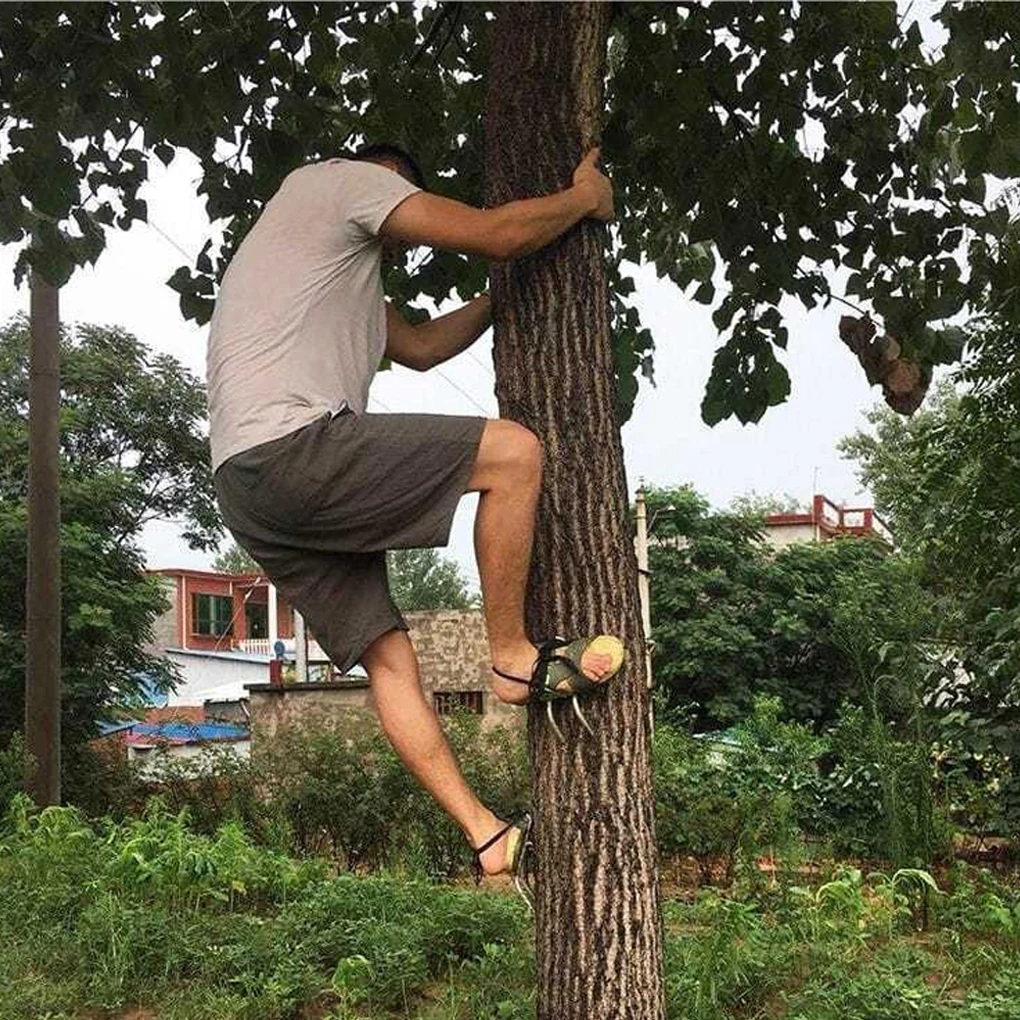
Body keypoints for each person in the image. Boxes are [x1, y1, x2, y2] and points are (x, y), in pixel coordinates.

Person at [208, 141, 625, 891]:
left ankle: (486, 836)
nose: (404, 229)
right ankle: (511, 657)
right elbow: (495, 233)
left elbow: (426, 347)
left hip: (248, 489)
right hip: (294, 450)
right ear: (385, 178)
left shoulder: (332, 272)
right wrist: (583, 201)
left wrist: (509, 297)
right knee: (514, 455)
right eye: (406, 202)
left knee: (390, 659)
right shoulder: (337, 182)